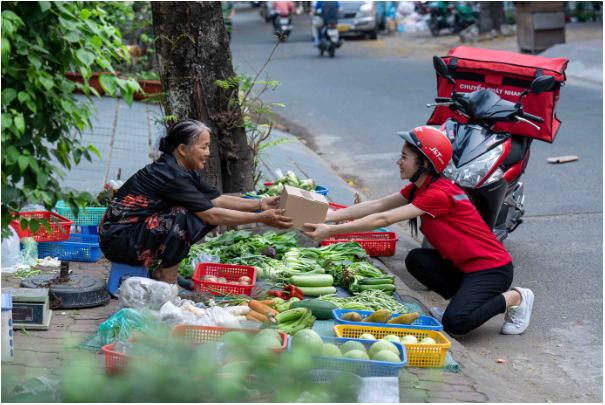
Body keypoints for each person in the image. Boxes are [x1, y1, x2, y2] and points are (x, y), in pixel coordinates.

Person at [303, 126, 535, 336]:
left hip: (491, 269)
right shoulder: (420, 187)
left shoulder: (438, 194)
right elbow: (375, 206)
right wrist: (325, 218)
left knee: (456, 324)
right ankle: (464, 301)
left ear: (424, 163)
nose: (398, 162)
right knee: (417, 259)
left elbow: (383, 218)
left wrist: (329, 232)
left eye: (404, 157)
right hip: (465, 267)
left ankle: (516, 296)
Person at [99, 120, 293, 289]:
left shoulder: (183, 168)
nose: (208, 153)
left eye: (208, 147)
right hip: (119, 242)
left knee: (198, 212)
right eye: (203, 147)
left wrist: (261, 204)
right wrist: (262, 218)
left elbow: (217, 200)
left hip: (134, 236)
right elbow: (211, 214)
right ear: (183, 150)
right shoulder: (171, 174)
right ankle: (168, 279)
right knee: (185, 214)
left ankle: (162, 272)